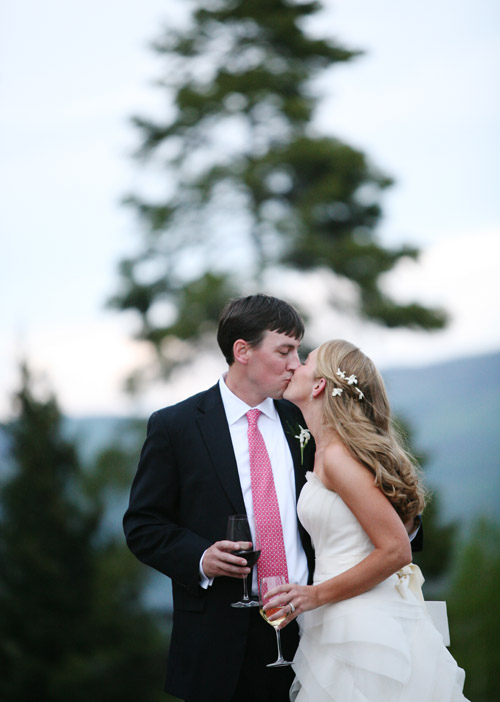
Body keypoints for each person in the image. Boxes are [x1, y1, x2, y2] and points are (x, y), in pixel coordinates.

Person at [123, 294, 315, 702]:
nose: (296, 364)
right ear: (242, 351)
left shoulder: (305, 419)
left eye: (297, 350)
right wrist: (201, 559)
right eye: (285, 351)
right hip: (219, 643)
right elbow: (143, 526)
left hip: (314, 629)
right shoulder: (175, 427)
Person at [263, 338, 469, 701]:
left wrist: (314, 595)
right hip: (340, 616)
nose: (295, 366)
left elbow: (396, 550)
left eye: (306, 361)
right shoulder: (325, 450)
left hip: (362, 622)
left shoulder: (338, 457)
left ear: (320, 384)